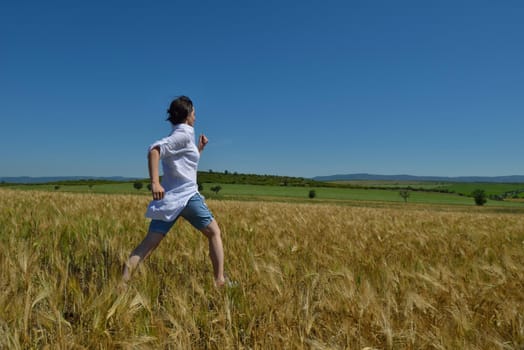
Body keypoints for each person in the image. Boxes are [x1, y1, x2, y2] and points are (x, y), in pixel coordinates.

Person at [122, 96, 226, 287]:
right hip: (187, 197)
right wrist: (154, 182)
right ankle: (220, 280)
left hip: (170, 200)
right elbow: (154, 150)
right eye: (194, 112)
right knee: (214, 233)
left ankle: (122, 284)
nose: (195, 116)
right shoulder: (184, 134)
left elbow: (185, 166)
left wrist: (199, 150)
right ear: (187, 115)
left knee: (148, 244)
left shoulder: (183, 136)